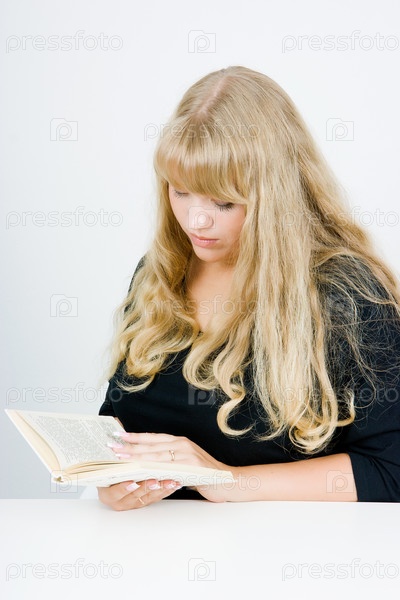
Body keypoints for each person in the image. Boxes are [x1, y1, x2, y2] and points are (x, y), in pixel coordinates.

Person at [97, 66, 400, 510]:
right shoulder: (159, 273)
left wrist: (230, 481)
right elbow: (117, 425)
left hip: (284, 548)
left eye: (224, 202)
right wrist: (109, 478)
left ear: (275, 197)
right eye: (181, 192)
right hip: (148, 545)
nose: (197, 221)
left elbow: (389, 470)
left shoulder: (350, 295)